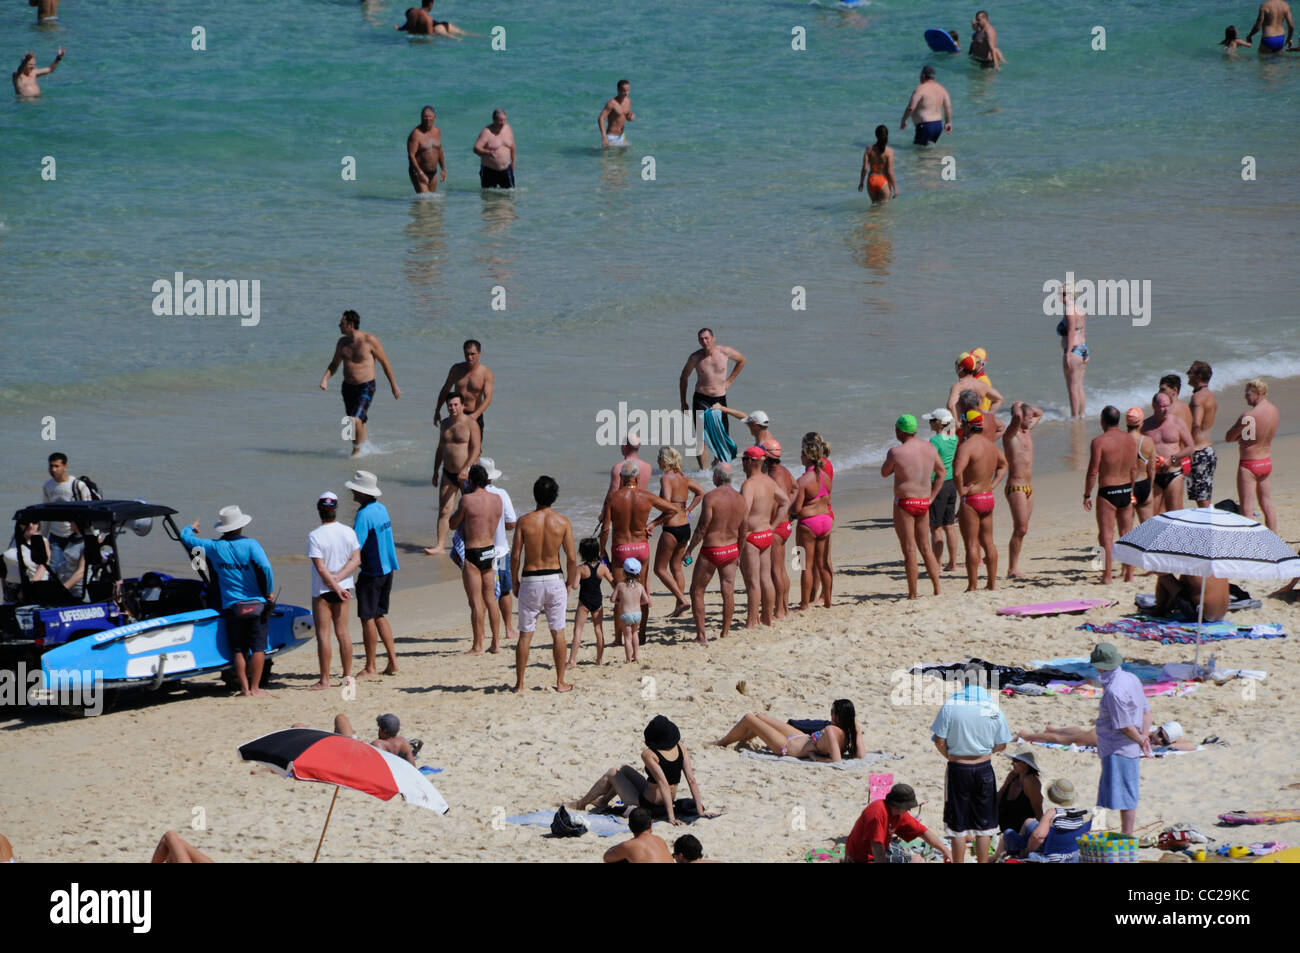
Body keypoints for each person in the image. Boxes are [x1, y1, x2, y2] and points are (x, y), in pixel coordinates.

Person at [181, 506, 275, 697]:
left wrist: (191, 527)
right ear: (241, 526)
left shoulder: (214, 547)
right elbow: (265, 567)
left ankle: (245, 689)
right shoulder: (251, 544)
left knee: (238, 649)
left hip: (233, 607)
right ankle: (256, 688)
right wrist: (269, 591)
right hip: (256, 604)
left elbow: (188, 540)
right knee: (258, 648)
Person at [570, 716, 716, 825]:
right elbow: (692, 780)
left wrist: (671, 818)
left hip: (647, 805)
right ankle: (603, 801)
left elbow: (662, 783)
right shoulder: (681, 748)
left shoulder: (649, 754)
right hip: (666, 801)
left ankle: (581, 803)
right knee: (625, 769)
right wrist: (700, 811)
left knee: (612, 772)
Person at [931, 667, 1012, 863]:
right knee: (984, 826)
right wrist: (985, 752)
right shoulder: (992, 707)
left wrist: (949, 756)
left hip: (958, 768)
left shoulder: (951, 705)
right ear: (984, 683)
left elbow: (939, 740)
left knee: (957, 826)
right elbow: (1002, 744)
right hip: (984, 767)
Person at [601, 463, 678, 646]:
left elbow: (605, 528)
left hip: (620, 548)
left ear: (621, 477)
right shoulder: (646, 496)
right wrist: (653, 524)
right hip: (640, 547)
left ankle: (620, 638)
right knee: (641, 592)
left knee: (620, 594)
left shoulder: (613, 498)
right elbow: (673, 510)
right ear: (637, 478)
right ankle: (641, 636)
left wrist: (601, 548)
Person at [511, 475, 576, 693]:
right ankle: (560, 682)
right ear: (555, 496)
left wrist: (514, 581)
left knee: (525, 633)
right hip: (554, 578)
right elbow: (572, 558)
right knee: (558, 632)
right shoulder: (563, 522)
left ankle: (520, 684)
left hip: (531, 578)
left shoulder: (524, 521)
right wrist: (570, 580)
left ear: (535, 494)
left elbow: (515, 556)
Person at [320, 310, 401, 457]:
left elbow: (385, 364)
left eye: (342, 323)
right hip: (347, 388)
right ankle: (366, 446)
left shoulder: (369, 341)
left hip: (366, 387)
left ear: (350, 325)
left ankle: (355, 453)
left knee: (353, 420)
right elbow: (334, 364)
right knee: (354, 422)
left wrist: (394, 386)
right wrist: (325, 379)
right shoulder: (342, 343)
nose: (339, 326)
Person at [881, 414, 944, 599]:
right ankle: (937, 590)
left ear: (901, 430)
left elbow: (884, 473)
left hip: (905, 503)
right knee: (925, 547)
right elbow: (942, 473)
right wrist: (932, 497)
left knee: (909, 549)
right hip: (923, 502)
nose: (895, 432)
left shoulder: (896, 452)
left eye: (896, 429)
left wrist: (894, 466)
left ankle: (913, 594)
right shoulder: (930, 448)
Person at [1090, 642, 1151, 835]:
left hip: (1118, 747)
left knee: (1122, 797)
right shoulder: (1131, 677)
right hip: (1127, 744)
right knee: (1120, 793)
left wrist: (1142, 740)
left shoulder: (1113, 691)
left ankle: (1125, 835)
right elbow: (1146, 711)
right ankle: (1115, 831)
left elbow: (1124, 725)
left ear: (1100, 665)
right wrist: (1145, 736)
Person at [683, 463, 747, 644]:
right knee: (728, 590)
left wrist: (689, 551)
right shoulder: (741, 499)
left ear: (717, 478)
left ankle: (701, 636)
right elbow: (743, 531)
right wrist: (739, 554)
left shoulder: (711, 497)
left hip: (712, 549)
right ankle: (725, 632)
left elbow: (701, 529)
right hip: (731, 550)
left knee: (696, 590)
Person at [347, 471, 401, 677]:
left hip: (372, 572)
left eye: (355, 489)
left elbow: (355, 546)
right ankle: (393, 660)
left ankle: (371, 666)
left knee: (367, 617)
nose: (352, 492)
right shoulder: (381, 508)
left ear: (362, 492)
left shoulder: (363, 515)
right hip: (387, 569)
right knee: (379, 615)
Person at [306, 492, 361, 690]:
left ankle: (325, 679)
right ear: (335, 510)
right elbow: (356, 560)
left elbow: (321, 569)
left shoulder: (315, 535)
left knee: (324, 634)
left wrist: (333, 584)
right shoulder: (348, 532)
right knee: (343, 632)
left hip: (323, 589)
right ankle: (347, 676)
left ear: (319, 510)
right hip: (343, 587)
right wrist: (339, 581)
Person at [449, 464, 505, 655]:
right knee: (491, 599)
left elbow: (452, 523)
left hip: (473, 552)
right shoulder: (497, 500)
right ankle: (496, 643)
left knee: (476, 601)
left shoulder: (467, 500)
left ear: (471, 481)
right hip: (490, 550)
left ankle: (478, 645)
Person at [952, 411, 1007, 592]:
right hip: (987, 497)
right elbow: (1004, 465)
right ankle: (991, 583)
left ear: (968, 425)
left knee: (971, 544)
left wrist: (961, 492)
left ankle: (972, 585)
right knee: (988, 542)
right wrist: (992, 485)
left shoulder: (966, 447)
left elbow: (958, 472)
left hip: (972, 498)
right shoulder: (991, 446)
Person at [1084, 406, 1138, 584]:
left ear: (1103, 421)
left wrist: (1087, 494)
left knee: (1106, 536)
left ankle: (1106, 576)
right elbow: (1134, 468)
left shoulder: (1099, 442)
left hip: (1108, 491)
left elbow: (1093, 471)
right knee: (1127, 534)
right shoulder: (1130, 440)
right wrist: (1130, 489)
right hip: (1125, 489)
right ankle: (1129, 575)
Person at [678, 328, 746, 469]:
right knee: (700, 437)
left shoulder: (725, 352)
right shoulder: (695, 357)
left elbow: (741, 360)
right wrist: (683, 402)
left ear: (713, 338)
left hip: (719, 399)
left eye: (707, 338)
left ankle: (716, 467)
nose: (705, 341)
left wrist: (729, 381)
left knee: (722, 436)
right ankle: (703, 472)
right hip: (701, 399)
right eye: (701, 339)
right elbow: (684, 378)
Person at [713, 699, 865, 762]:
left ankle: (721, 742)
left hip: (787, 746)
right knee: (760, 717)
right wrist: (857, 732)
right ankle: (743, 740)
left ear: (837, 716)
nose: (830, 714)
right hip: (801, 737)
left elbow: (836, 761)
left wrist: (815, 758)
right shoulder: (853, 730)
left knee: (749, 718)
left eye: (832, 711)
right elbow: (861, 756)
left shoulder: (832, 730)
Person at [649, 447, 703, 618]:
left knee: (659, 569)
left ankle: (682, 599)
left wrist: (653, 523)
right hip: (685, 526)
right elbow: (701, 493)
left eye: (658, 458)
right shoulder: (683, 478)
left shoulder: (667, 478)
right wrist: (687, 510)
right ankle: (679, 607)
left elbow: (667, 507)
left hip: (671, 528)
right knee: (676, 567)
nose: (657, 461)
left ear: (664, 460)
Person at [738, 445, 790, 627]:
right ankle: (767, 618)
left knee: (753, 582)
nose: (742, 464)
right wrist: (773, 525)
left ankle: (752, 621)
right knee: (766, 579)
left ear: (751, 462)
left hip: (751, 537)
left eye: (743, 460)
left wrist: (739, 542)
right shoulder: (769, 482)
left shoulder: (749, 485)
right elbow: (785, 502)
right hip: (766, 534)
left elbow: (743, 515)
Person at [844, 783, 953, 864]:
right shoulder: (877, 813)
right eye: (908, 807)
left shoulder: (897, 813)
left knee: (906, 851)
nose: (909, 810)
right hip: (862, 857)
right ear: (898, 805)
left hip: (880, 849)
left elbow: (922, 832)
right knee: (916, 861)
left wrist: (946, 851)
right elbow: (876, 846)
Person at [428, 391, 481, 555]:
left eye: (456, 404)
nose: (452, 408)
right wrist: (435, 471)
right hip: (447, 473)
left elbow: (475, 449)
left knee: (471, 510)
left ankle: (474, 542)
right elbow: (440, 448)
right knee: (444, 510)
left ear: (463, 405)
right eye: (449, 405)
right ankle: (440, 545)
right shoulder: (444, 423)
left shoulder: (471, 423)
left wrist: (466, 469)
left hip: (467, 474)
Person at [788, 433, 835, 609]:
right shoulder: (826, 477)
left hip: (808, 523)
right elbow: (828, 501)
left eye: (801, 454)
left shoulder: (802, 481)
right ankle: (828, 601)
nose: (800, 456)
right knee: (822, 564)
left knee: (806, 566)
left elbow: (797, 509)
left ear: (807, 457)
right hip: (826, 521)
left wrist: (788, 508)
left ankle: (805, 603)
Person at [994, 779, 1090, 863]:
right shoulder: (1079, 815)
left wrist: (1026, 852)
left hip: (1049, 858)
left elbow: (1038, 837)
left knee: (1008, 833)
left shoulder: (1052, 813)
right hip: (1072, 858)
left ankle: (998, 857)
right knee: (1030, 822)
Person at [1226, 379, 1278, 530]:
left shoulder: (1249, 415)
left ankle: (1250, 545)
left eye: (1248, 393)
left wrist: (1240, 436)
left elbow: (1229, 437)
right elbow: (1259, 434)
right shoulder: (1274, 410)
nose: (1245, 397)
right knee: (1267, 503)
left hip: (1250, 464)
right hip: (1266, 461)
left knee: (1247, 508)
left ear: (1258, 393)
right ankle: (1274, 539)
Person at [1001, 402, 1042, 578]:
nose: (1032, 419)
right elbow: (1017, 417)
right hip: (1015, 486)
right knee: (1021, 528)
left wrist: (1027, 407)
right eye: (1028, 416)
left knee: (1023, 530)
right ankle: (1012, 569)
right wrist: (1017, 406)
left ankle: (1014, 567)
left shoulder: (1028, 431)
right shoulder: (1011, 435)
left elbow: (1040, 413)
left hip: (1029, 487)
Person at [479, 457, 518, 642]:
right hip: (500, 551)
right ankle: (508, 628)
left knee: (481, 593)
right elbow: (511, 522)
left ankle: (482, 631)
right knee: (503, 591)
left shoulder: (470, 495)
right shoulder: (501, 494)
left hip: (479, 552)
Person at [761, 439, 796, 618]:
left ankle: (780, 610)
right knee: (781, 568)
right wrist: (790, 509)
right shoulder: (785, 471)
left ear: (765, 458)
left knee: (775, 570)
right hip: (786, 524)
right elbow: (795, 489)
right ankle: (784, 606)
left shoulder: (770, 478)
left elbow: (772, 502)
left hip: (777, 526)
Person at [1143, 392, 1195, 513]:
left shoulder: (1177, 422)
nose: (1165, 409)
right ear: (1154, 406)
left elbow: (1190, 447)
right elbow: (1138, 450)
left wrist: (1171, 459)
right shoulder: (1145, 426)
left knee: (1175, 512)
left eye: (1167, 406)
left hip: (1174, 473)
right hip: (1154, 475)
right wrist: (1149, 458)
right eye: (1162, 406)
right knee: (1153, 514)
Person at [41, 452, 89, 580]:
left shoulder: (77, 485)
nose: (53, 470)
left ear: (65, 466)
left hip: (76, 537)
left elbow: (90, 512)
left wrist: (95, 535)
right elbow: (46, 515)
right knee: (52, 569)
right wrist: (43, 538)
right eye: (51, 466)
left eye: (57, 466)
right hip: (56, 536)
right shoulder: (48, 486)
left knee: (76, 570)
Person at [434, 339, 494, 437]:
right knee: (452, 447)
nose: (469, 357)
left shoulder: (486, 373)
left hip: (474, 415)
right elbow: (445, 389)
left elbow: (488, 398)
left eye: (472, 354)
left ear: (479, 354)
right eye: (467, 354)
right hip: (456, 414)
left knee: (475, 450)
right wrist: (437, 410)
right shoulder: (456, 369)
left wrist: (475, 415)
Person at [567, 537, 612, 668]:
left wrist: (572, 577)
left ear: (583, 552)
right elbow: (612, 581)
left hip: (584, 602)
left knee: (578, 630)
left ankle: (572, 660)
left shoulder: (581, 568)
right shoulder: (602, 568)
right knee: (599, 630)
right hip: (597, 601)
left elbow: (575, 586)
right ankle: (599, 660)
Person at [924, 409, 960, 571]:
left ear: (938, 423)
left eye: (931, 420)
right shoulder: (954, 437)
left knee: (936, 527)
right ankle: (952, 563)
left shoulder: (935, 441)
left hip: (936, 483)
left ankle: (937, 565)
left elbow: (928, 463)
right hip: (951, 483)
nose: (929, 423)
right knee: (950, 526)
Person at [1015, 720, 1193, 751]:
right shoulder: (1145, 732)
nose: (1159, 740)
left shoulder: (1150, 730)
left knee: (1077, 732)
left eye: (1164, 740)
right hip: (1104, 738)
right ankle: (1027, 735)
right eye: (1161, 735)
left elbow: (1190, 745)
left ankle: (1053, 729)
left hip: (1105, 732)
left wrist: (1170, 743)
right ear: (1159, 728)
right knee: (1066, 740)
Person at [1184, 362, 1219, 508]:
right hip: (1208, 449)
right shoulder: (1210, 395)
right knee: (1203, 495)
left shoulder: (1198, 397)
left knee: (1202, 498)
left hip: (1198, 451)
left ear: (1198, 376)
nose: (1187, 374)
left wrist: (1188, 447)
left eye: (1190, 371)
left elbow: (1196, 423)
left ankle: (1208, 528)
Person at [900, 65, 953, 145]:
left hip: (925, 126)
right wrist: (948, 122)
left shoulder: (921, 89)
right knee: (929, 152)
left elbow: (911, 107)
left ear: (923, 75)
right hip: (938, 126)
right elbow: (948, 107)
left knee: (920, 152)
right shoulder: (942, 89)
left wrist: (904, 120)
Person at [995, 751, 1043, 838]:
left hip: (1019, 833)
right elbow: (1000, 795)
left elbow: (1037, 808)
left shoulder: (1031, 780)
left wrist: (1042, 832)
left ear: (1026, 764)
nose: (1012, 763)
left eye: (1015, 760)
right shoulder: (1013, 775)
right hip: (1002, 830)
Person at [611, 558, 650, 662]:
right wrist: (638, 603)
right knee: (635, 634)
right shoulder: (640, 586)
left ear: (624, 571)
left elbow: (612, 599)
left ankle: (628, 659)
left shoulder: (620, 585)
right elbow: (646, 600)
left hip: (626, 614)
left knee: (627, 637)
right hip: (637, 614)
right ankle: (636, 656)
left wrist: (621, 602)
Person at [1057, 283, 1087, 418]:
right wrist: (1085, 351)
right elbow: (1082, 331)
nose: (1061, 297)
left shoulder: (1069, 310)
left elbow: (1070, 333)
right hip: (1083, 349)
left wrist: (1068, 354)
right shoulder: (1080, 309)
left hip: (1073, 351)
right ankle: (1082, 414)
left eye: (1063, 294)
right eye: (1060, 294)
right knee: (1079, 386)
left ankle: (1074, 417)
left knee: (1072, 388)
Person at [2, 519, 49, 602]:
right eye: (26, 522)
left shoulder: (42, 541)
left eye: (34, 522)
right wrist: (4, 585)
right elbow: (6, 561)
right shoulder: (15, 538)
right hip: (11, 588)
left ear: (38, 525)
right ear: (20, 525)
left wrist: (28, 589)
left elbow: (43, 566)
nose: (30, 525)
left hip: (32, 588)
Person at [601, 809, 673, 863]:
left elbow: (606, 858)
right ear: (651, 824)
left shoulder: (629, 845)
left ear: (629, 827)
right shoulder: (660, 840)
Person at [946, 353, 1003, 421]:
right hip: (978, 421)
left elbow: (950, 406)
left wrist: (958, 423)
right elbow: (999, 399)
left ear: (960, 368)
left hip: (964, 425)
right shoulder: (982, 385)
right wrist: (989, 416)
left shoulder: (958, 386)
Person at [1155, 573, 1230, 623]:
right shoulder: (1216, 566)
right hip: (1221, 615)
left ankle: (1159, 611)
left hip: (1202, 616)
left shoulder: (1193, 567)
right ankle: (1164, 608)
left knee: (1164, 576)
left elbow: (1181, 588)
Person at [1126, 407, 1157, 523]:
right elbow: (1152, 468)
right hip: (1144, 484)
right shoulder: (1148, 441)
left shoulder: (1123, 440)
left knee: (1127, 530)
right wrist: (1151, 486)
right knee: (1148, 528)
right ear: (1141, 423)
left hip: (1128, 487)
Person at [407, 105, 445, 194]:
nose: (428, 119)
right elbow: (411, 155)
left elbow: (439, 150)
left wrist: (443, 169)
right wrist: (420, 173)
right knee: (424, 200)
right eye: (425, 117)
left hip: (433, 172)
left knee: (431, 199)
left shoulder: (437, 131)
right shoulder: (416, 134)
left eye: (430, 117)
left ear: (434, 118)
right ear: (421, 118)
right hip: (418, 172)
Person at [473, 109, 516, 189]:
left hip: (506, 169)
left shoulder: (508, 128)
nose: (503, 123)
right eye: (500, 120)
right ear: (494, 120)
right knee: (488, 196)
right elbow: (476, 149)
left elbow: (512, 145)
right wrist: (487, 152)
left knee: (510, 194)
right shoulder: (486, 132)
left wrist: (513, 161)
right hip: (489, 171)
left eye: (504, 120)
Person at [604, 432, 653, 499]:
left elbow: (612, 495)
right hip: (642, 506)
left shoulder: (619, 467)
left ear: (624, 446)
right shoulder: (648, 467)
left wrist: (604, 508)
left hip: (624, 507)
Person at [858, 125, 898, 203]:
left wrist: (861, 182)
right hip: (883, 181)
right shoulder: (889, 151)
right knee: (882, 211)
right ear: (887, 135)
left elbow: (865, 168)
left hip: (871, 181)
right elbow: (890, 172)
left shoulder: (869, 149)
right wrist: (895, 188)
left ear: (876, 135)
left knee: (874, 206)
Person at [396, 1, 474, 38]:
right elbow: (429, 37)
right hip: (439, 26)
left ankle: (455, 38)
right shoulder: (428, 18)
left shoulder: (412, 12)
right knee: (463, 32)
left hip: (435, 26)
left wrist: (399, 28)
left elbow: (407, 26)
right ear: (431, 3)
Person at [597, 79, 635, 148]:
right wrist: (604, 136)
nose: (626, 93)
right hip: (611, 137)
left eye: (628, 90)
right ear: (618, 90)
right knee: (608, 158)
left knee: (626, 157)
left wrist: (631, 117)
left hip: (621, 136)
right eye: (624, 91)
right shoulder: (611, 103)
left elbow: (627, 114)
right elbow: (601, 118)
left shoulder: (628, 101)